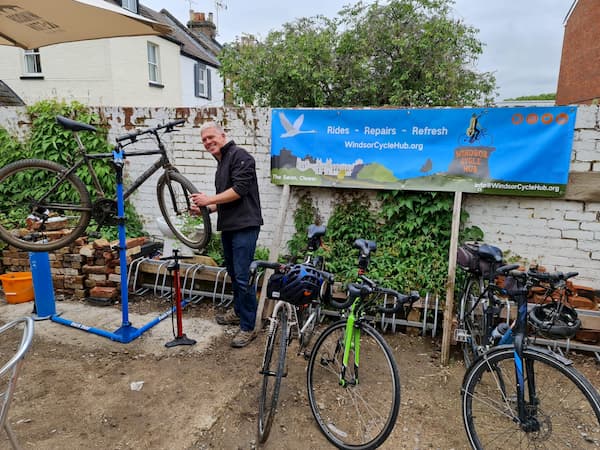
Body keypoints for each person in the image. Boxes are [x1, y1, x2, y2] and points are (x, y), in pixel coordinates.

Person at [190, 121, 263, 348]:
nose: (208, 142)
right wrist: (207, 208)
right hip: (230, 226)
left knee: (243, 277)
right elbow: (227, 200)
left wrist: (209, 199)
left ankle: (249, 327)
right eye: (204, 140)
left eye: (211, 137)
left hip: (245, 227)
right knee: (234, 274)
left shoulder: (241, 157)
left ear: (223, 135)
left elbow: (239, 191)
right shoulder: (221, 163)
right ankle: (240, 312)